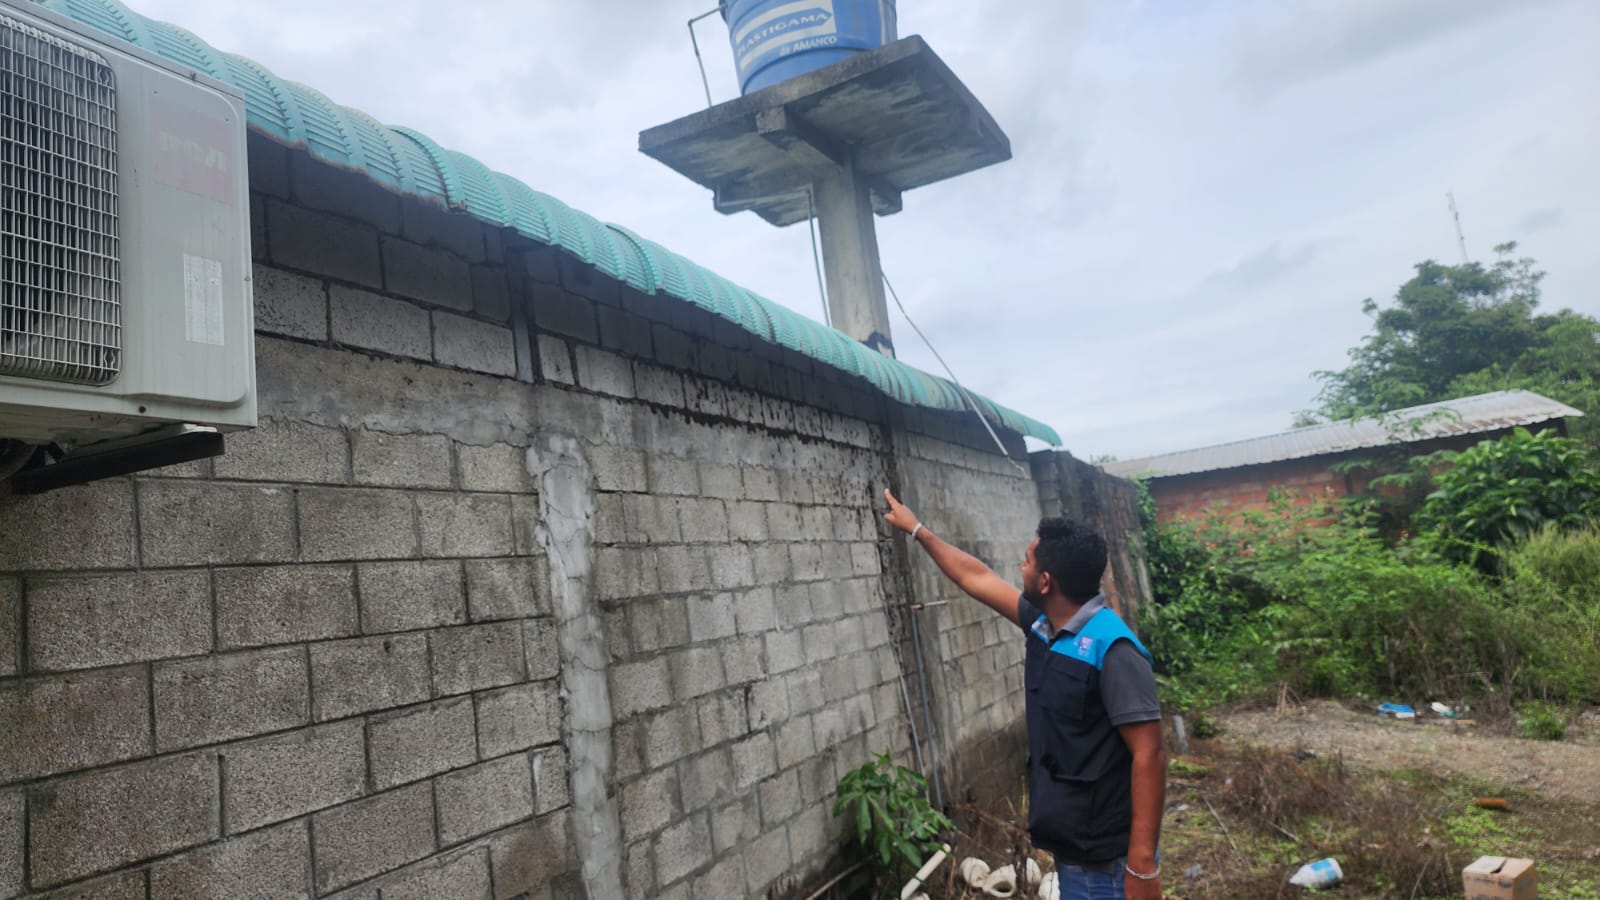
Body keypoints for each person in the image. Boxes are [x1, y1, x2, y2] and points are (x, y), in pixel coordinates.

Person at [882, 489, 1166, 900]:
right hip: (1074, 847)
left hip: (1108, 860)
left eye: (1027, 562)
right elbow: (977, 578)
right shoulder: (1045, 627)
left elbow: (1150, 753)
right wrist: (918, 530)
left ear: (1046, 582)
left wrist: (1141, 864)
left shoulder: (1112, 648)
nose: (1021, 568)